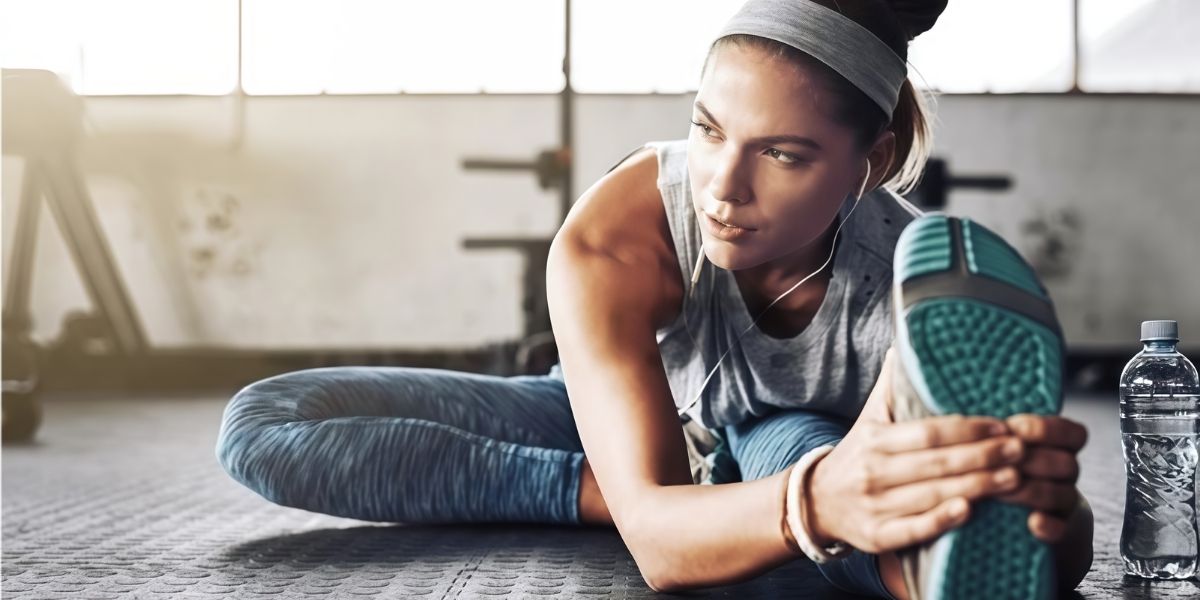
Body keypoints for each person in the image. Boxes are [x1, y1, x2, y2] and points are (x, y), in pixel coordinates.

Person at [216, 1, 1093, 598]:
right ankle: (635, 493)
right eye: (710, 130)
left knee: (821, 463)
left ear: (871, 158)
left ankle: (884, 556)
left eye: (783, 155)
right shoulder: (617, 232)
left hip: (793, 445)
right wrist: (662, 505)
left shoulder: (912, 280)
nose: (723, 187)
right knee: (266, 423)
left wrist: (1050, 515)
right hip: (618, 425)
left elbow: (931, 489)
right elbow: (666, 559)